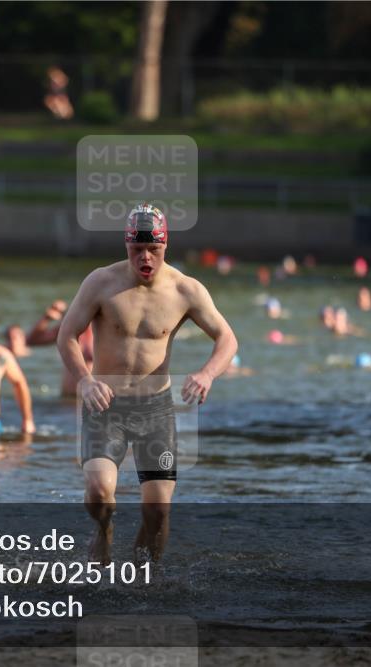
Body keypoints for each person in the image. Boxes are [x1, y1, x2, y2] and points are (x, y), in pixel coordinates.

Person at [57, 204, 237, 563]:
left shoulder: (186, 290)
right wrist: (86, 381)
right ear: (126, 245)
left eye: (152, 250)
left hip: (155, 411)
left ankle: (144, 580)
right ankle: (104, 529)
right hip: (105, 408)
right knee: (98, 492)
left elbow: (227, 339)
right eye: (136, 250)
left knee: (158, 511)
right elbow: (66, 336)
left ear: (165, 245)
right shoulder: (101, 282)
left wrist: (206, 373)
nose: (145, 258)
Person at [22, 299, 94, 398]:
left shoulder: (103, 333)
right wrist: (46, 318)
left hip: (94, 400)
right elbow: (32, 341)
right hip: (67, 398)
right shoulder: (67, 331)